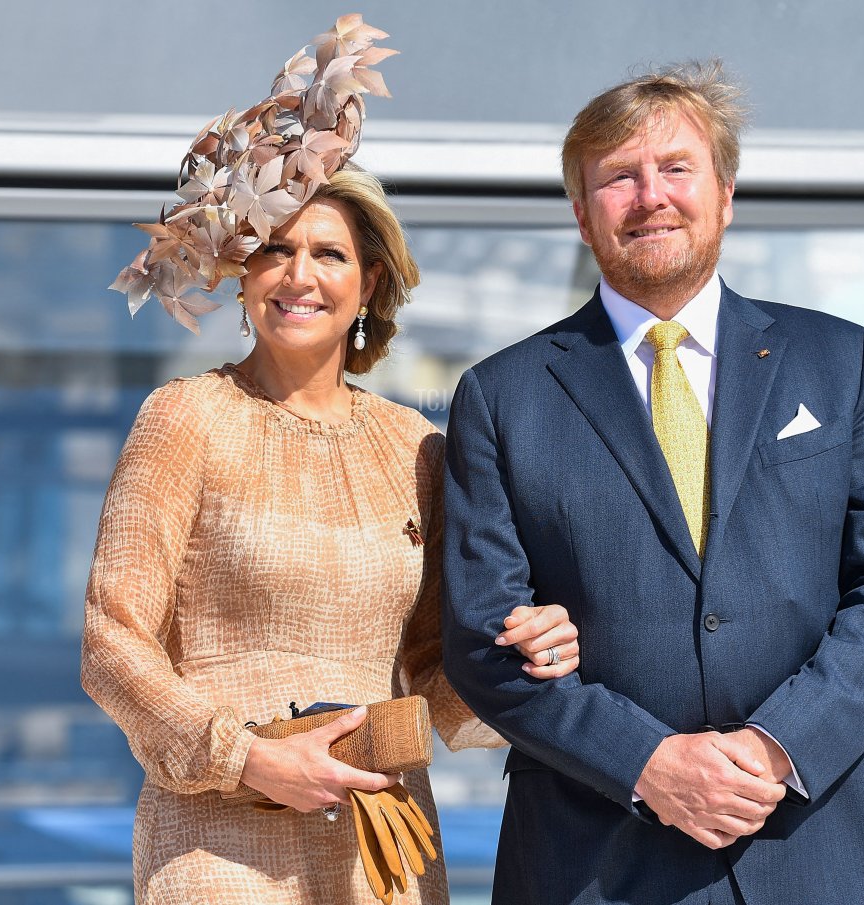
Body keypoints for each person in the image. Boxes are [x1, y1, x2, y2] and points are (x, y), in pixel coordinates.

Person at [83, 18, 580, 904]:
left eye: (328, 253)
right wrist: (251, 761)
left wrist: (526, 650)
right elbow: (113, 642)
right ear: (241, 273)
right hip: (218, 841)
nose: (297, 273)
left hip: (382, 843)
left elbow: (438, 672)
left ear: (369, 284)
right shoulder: (184, 418)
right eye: (274, 247)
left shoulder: (420, 447)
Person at [441, 61, 864, 905]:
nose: (651, 195)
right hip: (598, 856)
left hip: (826, 846)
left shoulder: (842, 359)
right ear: (580, 212)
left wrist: (778, 744)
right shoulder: (500, 396)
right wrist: (646, 760)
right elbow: (483, 641)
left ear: (726, 192)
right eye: (619, 178)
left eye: (676, 168)